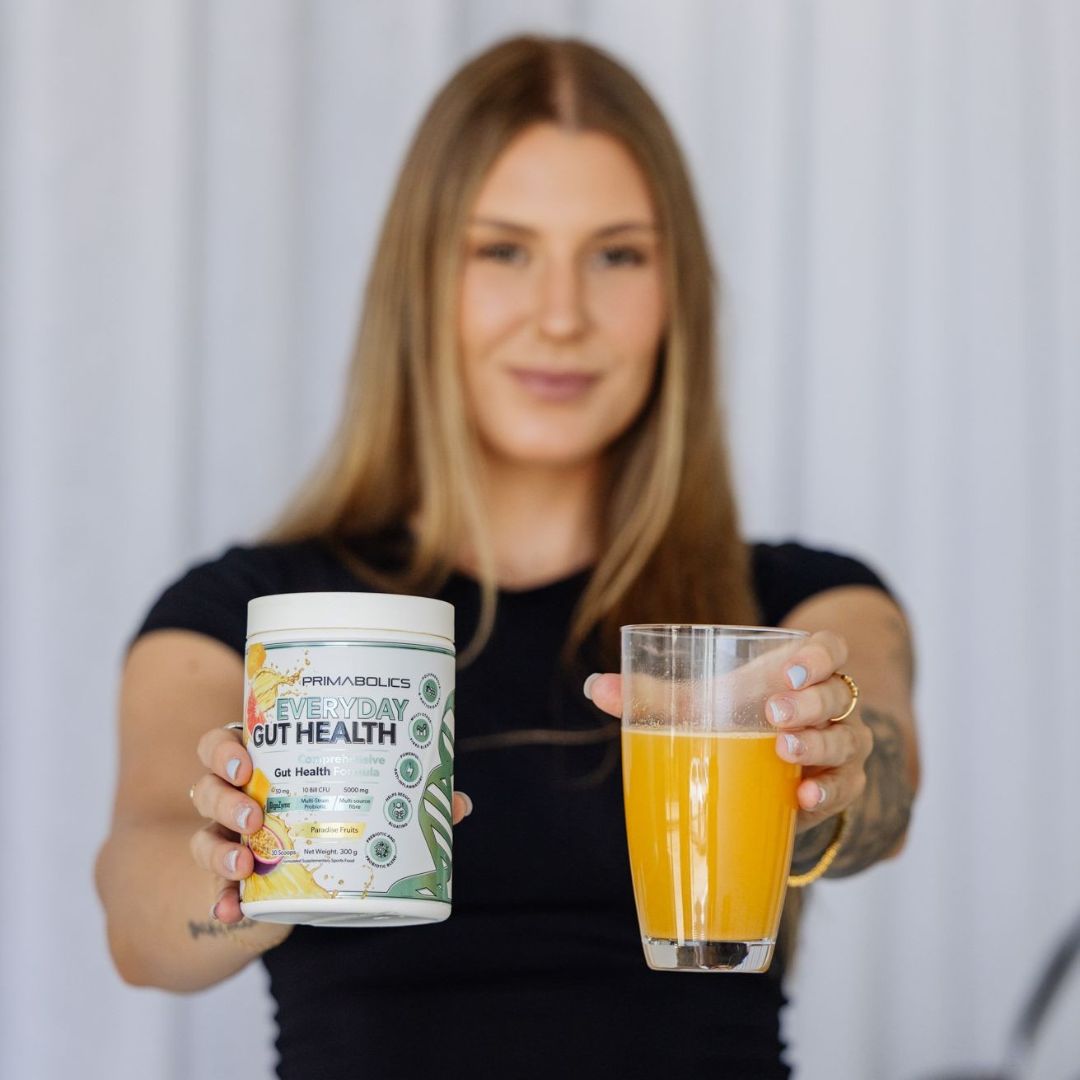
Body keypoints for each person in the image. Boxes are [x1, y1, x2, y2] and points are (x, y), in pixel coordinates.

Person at [94, 33, 920, 1079]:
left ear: (679, 293)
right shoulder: (249, 612)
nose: (561, 316)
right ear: (420, 284)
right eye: (503, 251)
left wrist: (830, 770)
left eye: (617, 255)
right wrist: (241, 870)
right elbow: (138, 919)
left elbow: (886, 780)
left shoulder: (796, 604)